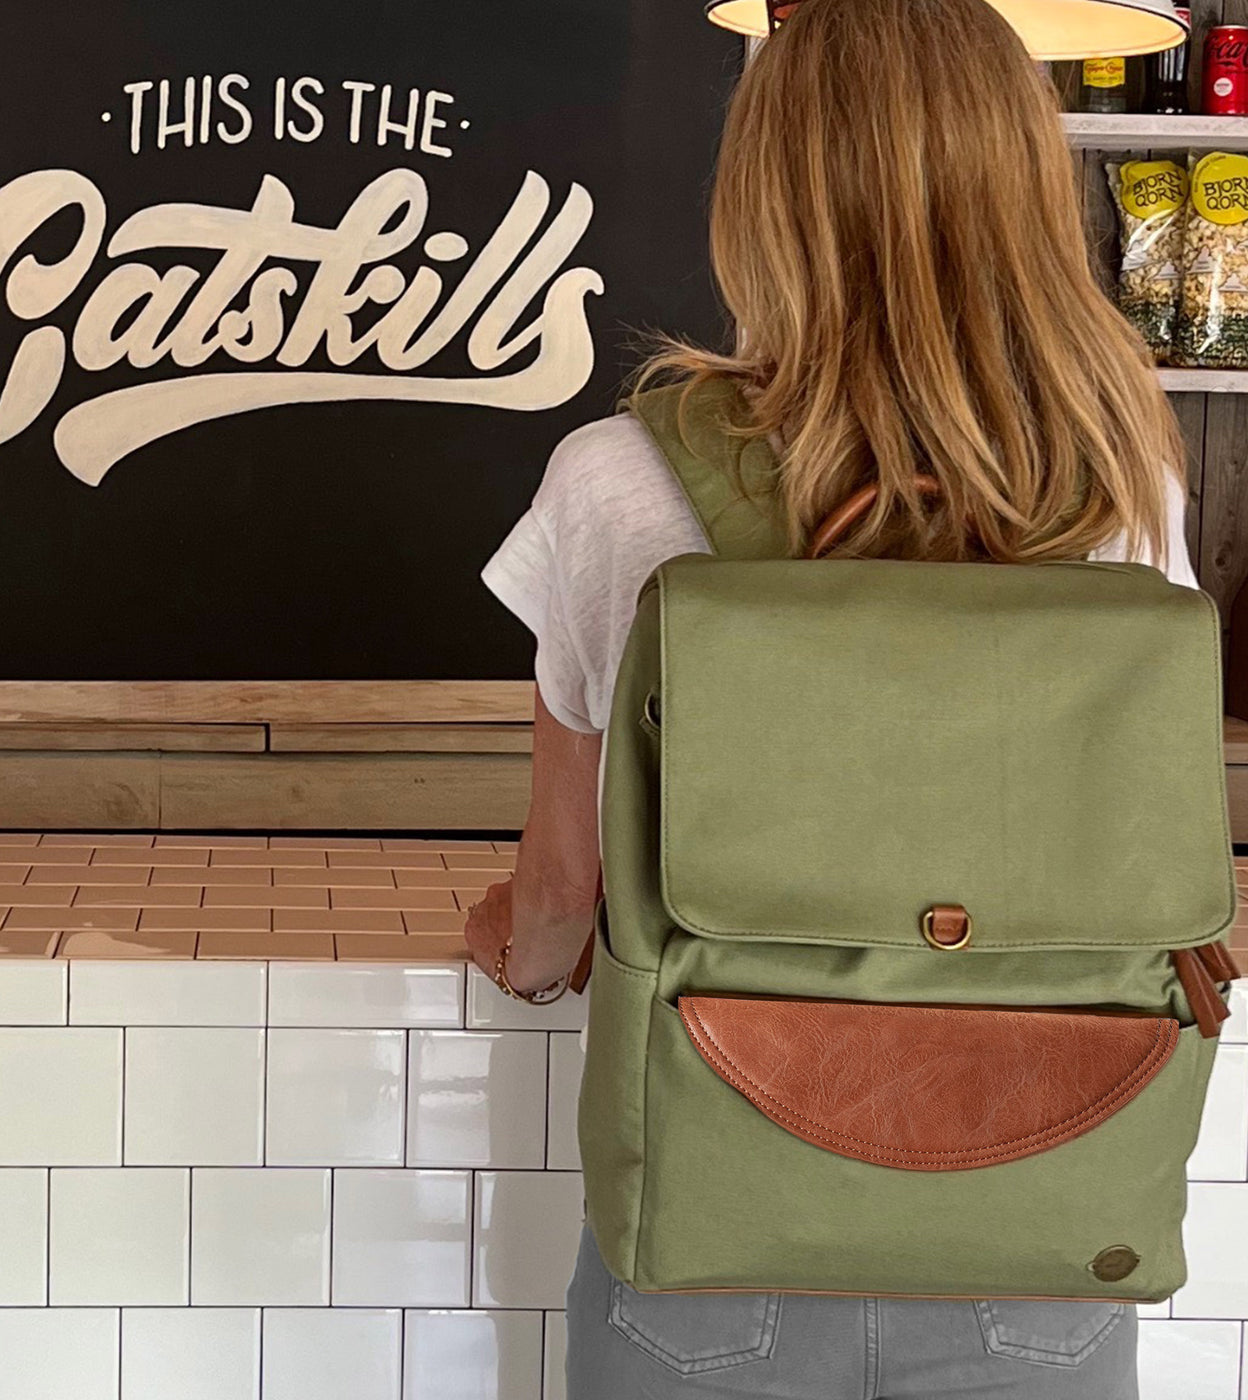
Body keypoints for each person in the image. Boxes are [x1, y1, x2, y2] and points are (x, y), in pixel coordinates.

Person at [463, 0, 1197, 1391]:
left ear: (765, 193)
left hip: (707, 1239)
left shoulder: (621, 484)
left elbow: (561, 904)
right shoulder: (1122, 487)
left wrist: (517, 935)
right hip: (1038, 1224)